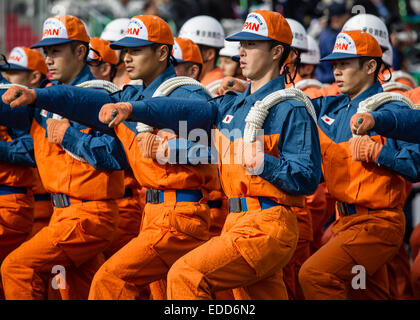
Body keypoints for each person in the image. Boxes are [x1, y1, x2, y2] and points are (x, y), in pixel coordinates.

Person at [95, 10, 322, 299]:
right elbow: (186, 111)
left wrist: (264, 163)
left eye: (251, 45)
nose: (241, 51)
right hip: (238, 222)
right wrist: (134, 109)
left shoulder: (292, 108)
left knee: (187, 274)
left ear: (277, 52)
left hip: (267, 224)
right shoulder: (232, 105)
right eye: (242, 44)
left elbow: (307, 178)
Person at [3, 14, 218, 300]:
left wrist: (169, 149)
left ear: (163, 53)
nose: (126, 57)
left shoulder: (186, 92)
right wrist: (37, 96)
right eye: (125, 50)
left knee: (109, 279)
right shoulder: (132, 94)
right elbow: (88, 103)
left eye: (136, 50)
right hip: (153, 215)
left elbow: (215, 148)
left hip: (179, 215)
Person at [0, 15, 128, 300]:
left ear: (80, 52)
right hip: (63, 215)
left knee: (17, 268)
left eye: (56, 51)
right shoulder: (43, 96)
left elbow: (113, 156)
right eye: (46, 52)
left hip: (89, 216)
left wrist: (69, 136)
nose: (49, 59)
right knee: (71, 293)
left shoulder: (100, 96)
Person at [298, 30, 420, 299]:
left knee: (315, 275)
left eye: (345, 64)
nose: (337, 72)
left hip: (377, 224)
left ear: (370, 66)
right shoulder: (335, 108)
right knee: (366, 295)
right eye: (335, 65)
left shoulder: (393, 108)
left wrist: (379, 153)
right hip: (348, 223)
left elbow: (416, 165)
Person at [86, 37, 144, 259]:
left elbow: (114, 154)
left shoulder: (123, 102)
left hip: (124, 205)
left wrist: (67, 135)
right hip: (89, 207)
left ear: (105, 67)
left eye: (88, 65)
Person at [0, 46, 53, 240]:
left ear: (34, 78)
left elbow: (31, 150)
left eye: (14, 73)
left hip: (35, 203)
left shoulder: (33, 108)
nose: (7, 77)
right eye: (6, 71)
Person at [178, 15, 225, 86]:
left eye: (190, 48)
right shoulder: (200, 82)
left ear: (209, 54)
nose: (182, 55)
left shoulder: (218, 87)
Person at [315, 1, 350, 84]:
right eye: (345, 16)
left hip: (325, 78)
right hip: (329, 80)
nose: (347, 19)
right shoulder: (332, 37)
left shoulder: (325, 32)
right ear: (335, 18)